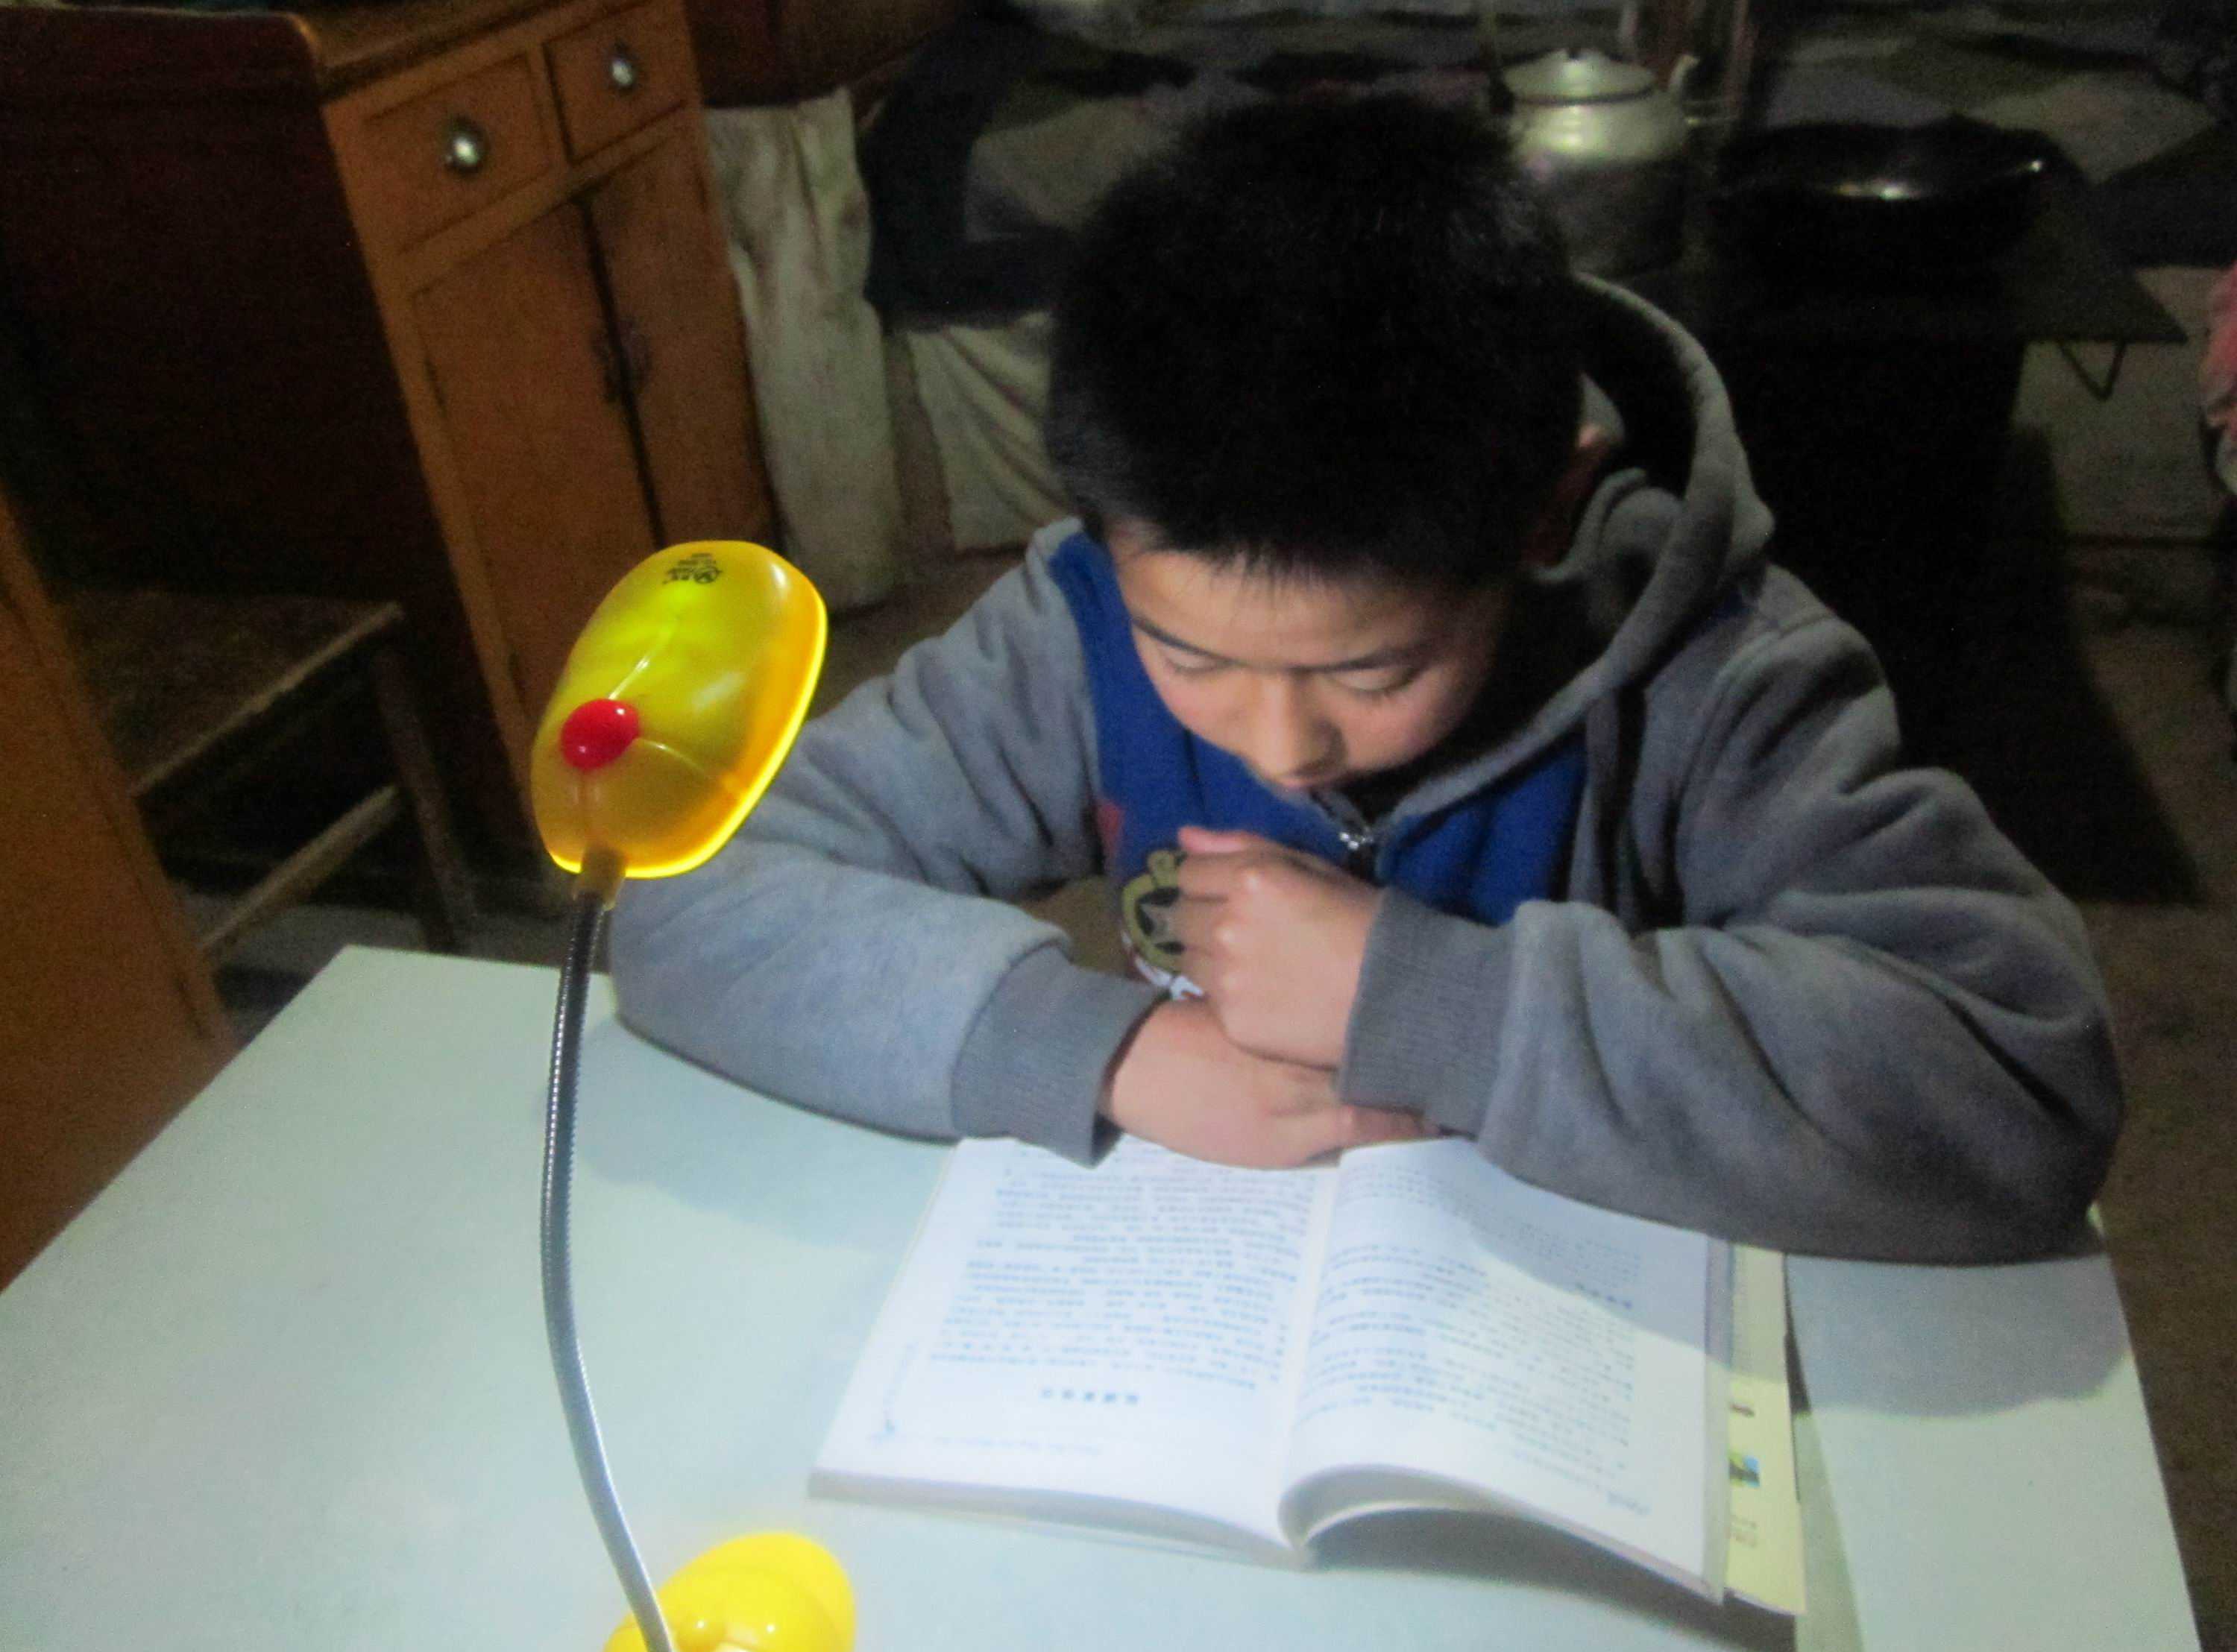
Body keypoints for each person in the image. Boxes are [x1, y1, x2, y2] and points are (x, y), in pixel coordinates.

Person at [611, 94, 2121, 1261]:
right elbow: (682, 892)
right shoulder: (1071, 630)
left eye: (1374, 665)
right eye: (1191, 654)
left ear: (1545, 510)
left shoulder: (1718, 675)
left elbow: (2021, 1076)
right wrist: (1105, 1045)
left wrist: (1432, 1003)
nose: (1281, 745)